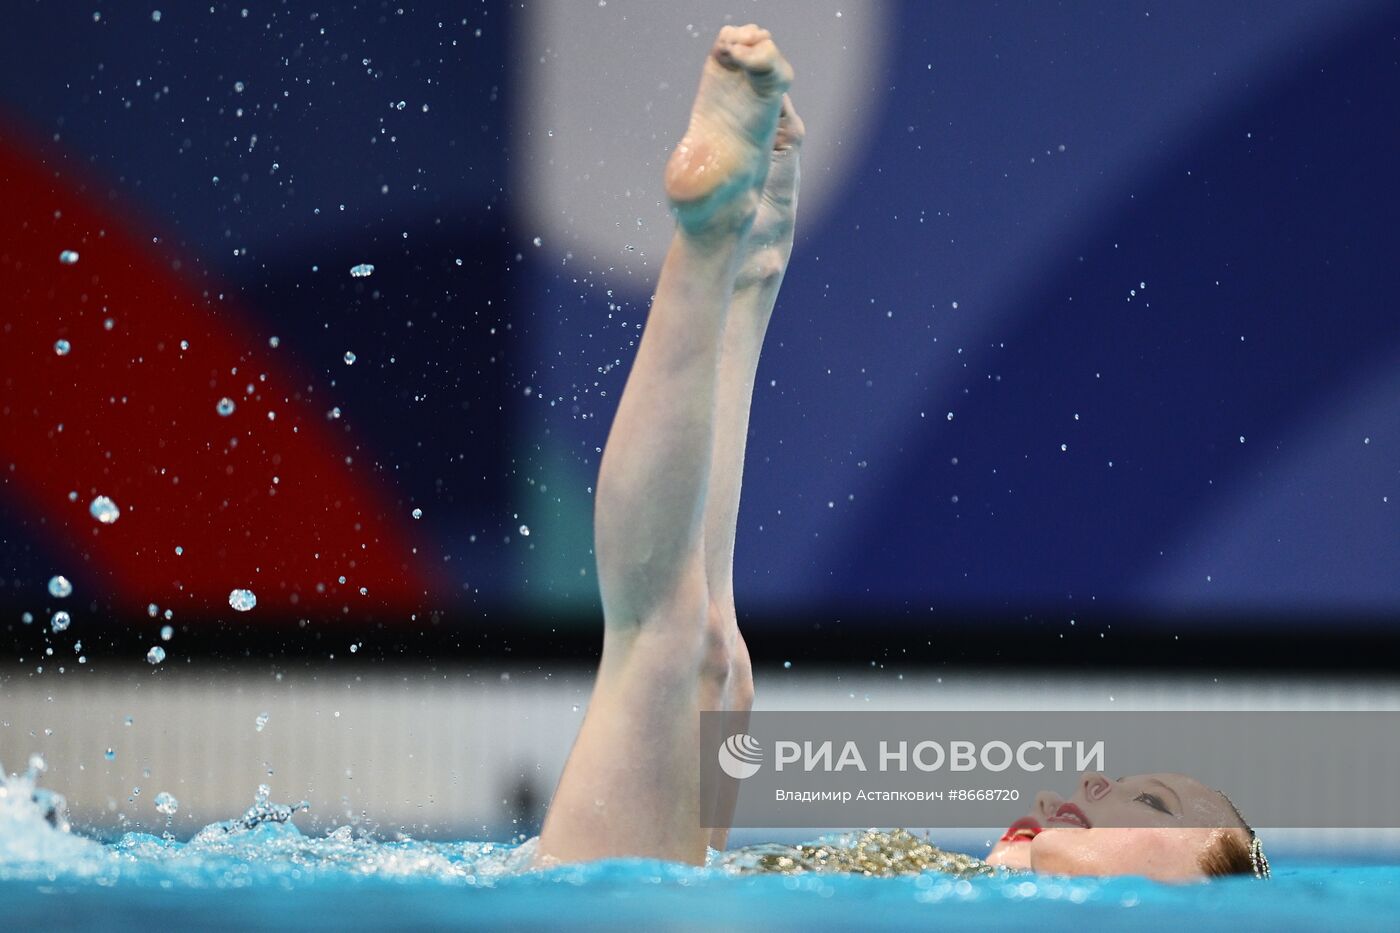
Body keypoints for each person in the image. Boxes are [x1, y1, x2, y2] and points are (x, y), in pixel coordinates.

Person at [532, 24, 1267, 883]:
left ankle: (711, 243)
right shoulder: (941, 882)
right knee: (716, 674)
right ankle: (748, 270)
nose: (1095, 777)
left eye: (1149, 802)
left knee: (665, 649)